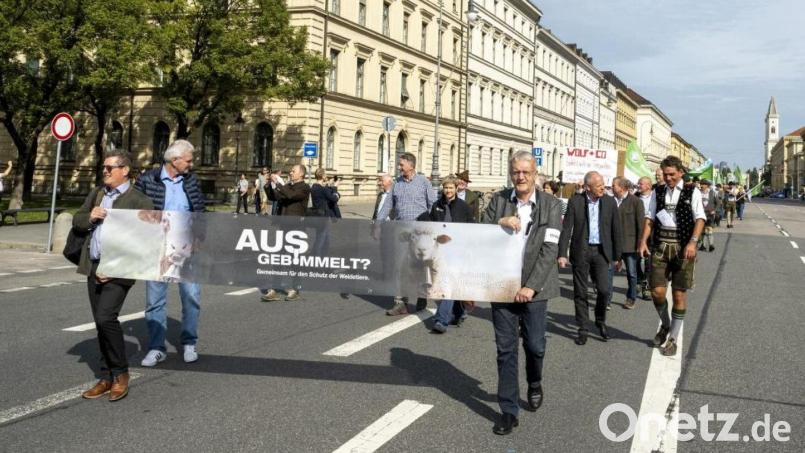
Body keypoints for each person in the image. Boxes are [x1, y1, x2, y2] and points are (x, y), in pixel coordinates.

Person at [482, 151, 562, 435]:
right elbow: (479, 233)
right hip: (502, 286)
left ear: (535, 174)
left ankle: (535, 381)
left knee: (535, 345)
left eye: (526, 172)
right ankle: (508, 410)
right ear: (510, 172)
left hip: (535, 289)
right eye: (516, 172)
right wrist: (499, 223)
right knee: (505, 349)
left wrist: (531, 286)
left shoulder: (552, 205)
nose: (520, 177)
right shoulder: (499, 200)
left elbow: (550, 247)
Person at [75, 150, 154, 401]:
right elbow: (77, 220)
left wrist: (116, 268)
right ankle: (106, 376)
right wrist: (90, 217)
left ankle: (121, 374)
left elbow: (145, 242)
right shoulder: (98, 194)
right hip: (94, 265)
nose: (105, 171)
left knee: (105, 316)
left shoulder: (140, 201)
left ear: (125, 170)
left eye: (110, 167)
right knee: (100, 323)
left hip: (119, 272)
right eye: (104, 167)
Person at [135, 139, 207, 367]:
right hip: (158, 248)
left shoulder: (191, 181)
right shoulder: (148, 180)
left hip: (187, 248)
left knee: (191, 296)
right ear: (174, 161)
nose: (191, 164)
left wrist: (199, 238)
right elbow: (132, 209)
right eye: (188, 160)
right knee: (155, 299)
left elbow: (200, 211)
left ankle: (189, 343)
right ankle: (157, 348)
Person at [638, 156, 706, 357]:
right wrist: (643, 241)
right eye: (665, 174)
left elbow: (700, 218)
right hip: (660, 246)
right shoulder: (657, 192)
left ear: (680, 173)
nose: (668, 178)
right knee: (657, 292)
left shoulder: (691, 191)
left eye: (671, 175)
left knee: (678, 294)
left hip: (683, 247)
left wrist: (693, 242)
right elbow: (649, 218)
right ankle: (665, 324)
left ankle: (674, 338)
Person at [558, 171, 623, 345]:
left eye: (603, 183)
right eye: (598, 185)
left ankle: (600, 320)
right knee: (580, 292)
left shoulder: (610, 202)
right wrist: (562, 253)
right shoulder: (575, 202)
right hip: (581, 251)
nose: (603, 187)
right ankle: (583, 328)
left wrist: (618, 256)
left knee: (604, 290)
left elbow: (616, 230)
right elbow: (566, 229)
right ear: (588, 187)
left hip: (601, 252)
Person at [375, 152, 438, 315]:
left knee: (420, 265)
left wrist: (429, 226)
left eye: (401, 164)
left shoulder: (423, 182)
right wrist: (378, 224)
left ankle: (421, 295)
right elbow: (387, 205)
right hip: (401, 230)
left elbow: (432, 204)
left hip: (420, 231)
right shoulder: (397, 183)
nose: (399, 167)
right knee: (399, 265)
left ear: (411, 165)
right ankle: (399, 302)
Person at [428, 175, 474, 333]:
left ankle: (441, 320)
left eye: (450, 188)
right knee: (444, 283)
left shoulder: (464, 207)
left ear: (456, 189)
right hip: (440, 250)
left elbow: (472, 228)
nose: (447, 190)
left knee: (447, 283)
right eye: (445, 188)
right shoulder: (436, 205)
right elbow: (432, 226)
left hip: (458, 251)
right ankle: (459, 312)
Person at [261, 164, 311, 302]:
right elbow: (275, 197)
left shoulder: (304, 188)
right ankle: (274, 289)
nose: (290, 172)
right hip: (284, 226)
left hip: (296, 229)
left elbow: (291, 196)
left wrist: (279, 183)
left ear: (301, 174)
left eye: (293, 171)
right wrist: (268, 184)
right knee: (279, 258)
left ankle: (295, 289)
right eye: (291, 170)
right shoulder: (288, 185)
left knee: (295, 259)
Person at [612, 177, 644, 310]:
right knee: (608, 272)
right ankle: (606, 299)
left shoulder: (635, 201)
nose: (611, 187)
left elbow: (640, 224)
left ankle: (631, 298)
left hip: (630, 245)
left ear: (622, 187)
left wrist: (640, 244)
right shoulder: (611, 200)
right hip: (614, 244)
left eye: (614, 185)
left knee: (631, 273)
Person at [636, 176, 653, 300]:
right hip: (637, 232)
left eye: (640, 184)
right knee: (635, 259)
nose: (638, 185)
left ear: (648, 186)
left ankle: (646, 287)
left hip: (651, 233)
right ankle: (639, 279)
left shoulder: (655, 197)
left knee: (648, 261)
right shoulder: (634, 197)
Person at [698, 180, 718, 252]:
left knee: (709, 229)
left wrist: (714, 210)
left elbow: (718, 203)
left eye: (703, 184)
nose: (701, 185)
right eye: (701, 184)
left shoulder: (712, 193)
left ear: (707, 185)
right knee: (703, 230)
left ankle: (711, 245)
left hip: (710, 214)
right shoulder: (698, 192)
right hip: (701, 214)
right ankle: (703, 245)